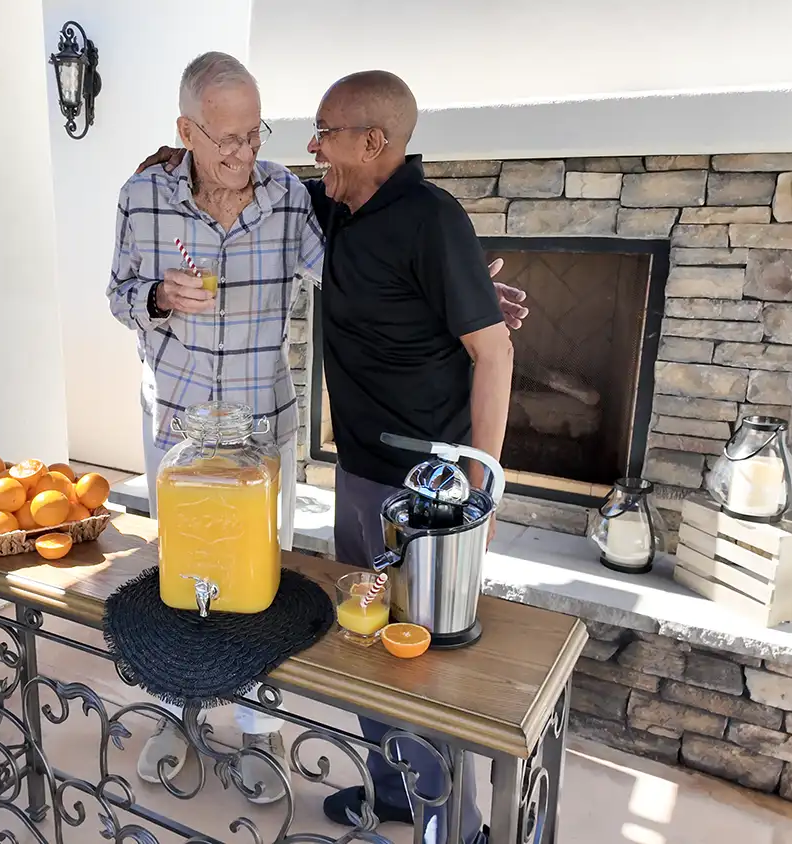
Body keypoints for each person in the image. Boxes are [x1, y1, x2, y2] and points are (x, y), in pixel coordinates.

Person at [105, 51, 323, 805]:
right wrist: (159, 295)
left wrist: (452, 296)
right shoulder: (144, 195)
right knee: (182, 583)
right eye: (225, 139)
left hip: (263, 430)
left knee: (264, 589)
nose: (243, 155)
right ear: (186, 131)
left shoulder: (290, 197)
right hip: (178, 428)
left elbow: (351, 276)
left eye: (254, 135)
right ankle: (179, 720)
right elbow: (117, 293)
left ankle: (261, 734)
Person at [306, 70, 514, 844]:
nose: (315, 146)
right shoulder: (336, 204)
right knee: (365, 646)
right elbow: (246, 179)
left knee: (424, 669)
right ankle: (394, 794)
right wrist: (176, 156)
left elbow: (493, 356)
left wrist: (479, 492)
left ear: (376, 141)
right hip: (358, 473)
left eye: (326, 132)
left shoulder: (432, 219)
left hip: (427, 494)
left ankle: (457, 828)